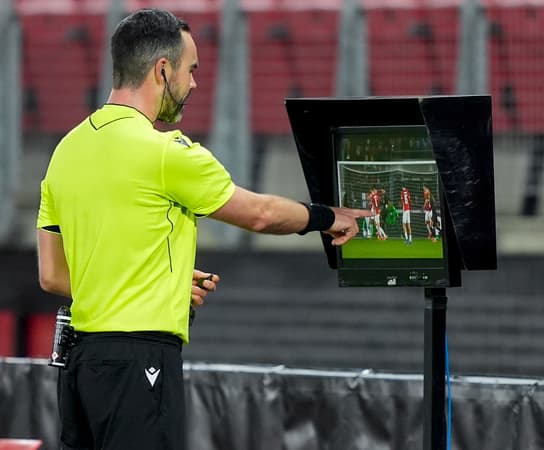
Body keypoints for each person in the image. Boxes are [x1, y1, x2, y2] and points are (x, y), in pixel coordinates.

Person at [35, 9, 370, 450]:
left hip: (80, 365)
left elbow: (53, 276)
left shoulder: (68, 150)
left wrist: (156, 283)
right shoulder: (165, 152)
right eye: (191, 70)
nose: (194, 84)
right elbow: (260, 214)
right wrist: (329, 217)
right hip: (140, 361)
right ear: (162, 69)